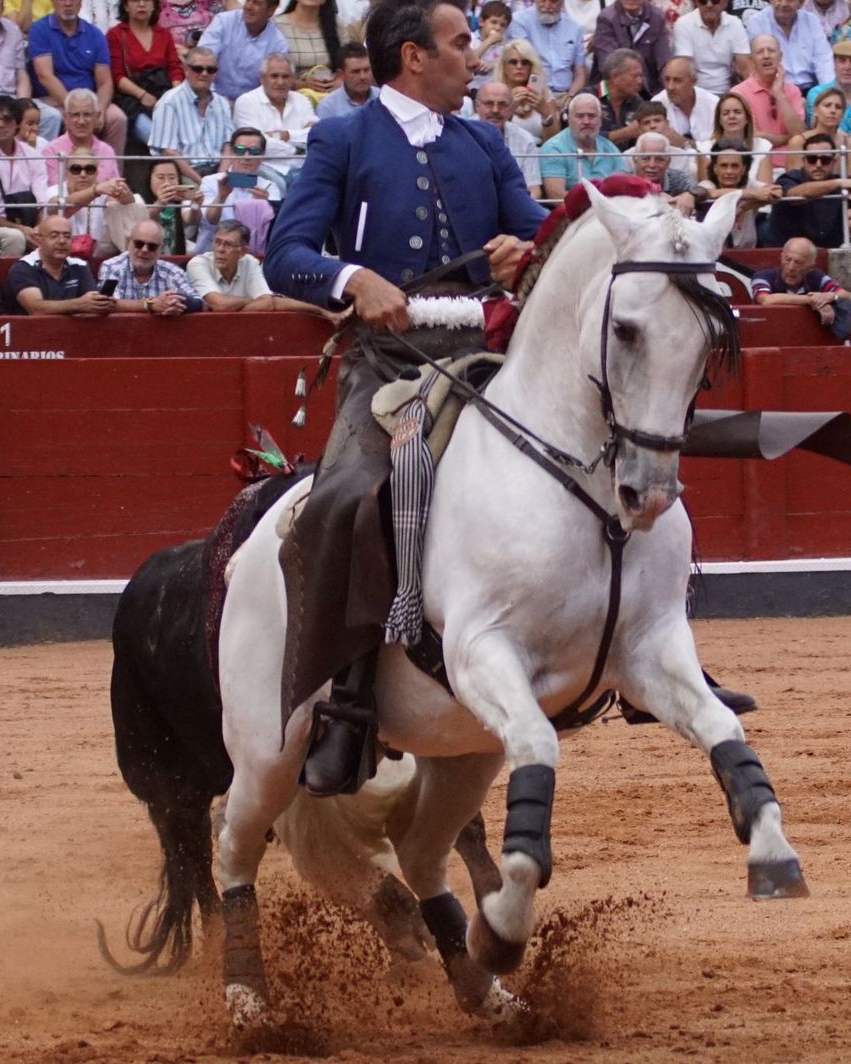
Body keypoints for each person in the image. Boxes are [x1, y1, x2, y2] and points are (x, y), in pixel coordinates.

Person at [261, 0, 549, 797]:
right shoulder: (342, 137)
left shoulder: (485, 142)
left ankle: (611, 654)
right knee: (345, 499)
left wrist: (524, 250)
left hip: (486, 360)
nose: (476, 58)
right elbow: (284, 254)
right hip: (385, 362)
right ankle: (347, 705)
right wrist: (354, 279)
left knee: (577, 462)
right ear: (414, 57)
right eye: (461, 45)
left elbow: (537, 233)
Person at [28, 0, 127, 150]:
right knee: (56, 117)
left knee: (117, 118)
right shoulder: (40, 29)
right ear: (53, 2)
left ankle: (113, 171)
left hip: (89, 99)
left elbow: (105, 82)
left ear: (81, 3)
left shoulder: (95, 34)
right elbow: (45, 76)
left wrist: (98, 110)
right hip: (53, 99)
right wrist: (74, 108)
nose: (68, 3)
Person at [188, 217, 329, 311]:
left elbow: (267, 302)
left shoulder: (249, 261)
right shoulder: (199, 263)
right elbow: (220, 304)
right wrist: (250, 300)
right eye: (217, 242)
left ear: (243, 251)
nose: (220, 250)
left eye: (228, 245)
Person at [768, 130, 851, 245]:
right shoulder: (789, 178)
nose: (818, 164)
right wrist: (839, 182)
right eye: (812, 159)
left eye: (825, 160)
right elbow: (794, 195)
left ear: (834, 162)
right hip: (788, 254)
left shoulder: (843, 183)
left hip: (830, 255)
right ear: (804, 161)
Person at [0, 93, 48, 254]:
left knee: (56, 231)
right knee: (15, 237)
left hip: (30, 225)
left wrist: (38, 229)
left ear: (17, 124)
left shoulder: (33, 155)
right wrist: (20, 229)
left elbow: (42, 202)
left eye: (7, 119)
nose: (1, 125)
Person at [147, 45, 233, 180]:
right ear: (186, 69)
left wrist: (220, 178)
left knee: (255, 184)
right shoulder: (169, 102)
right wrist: (204, 183)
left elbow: (228, 146)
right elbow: (168, 152)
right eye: (198, 68)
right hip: (186, 174)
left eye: (210, 70)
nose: (204, 74)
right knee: (203, 198)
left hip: (221, 172)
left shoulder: (222, 103)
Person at [8, 212, 117, 313]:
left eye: (67, 236)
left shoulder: (79, 266)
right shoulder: (23, 268)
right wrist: (78, 304)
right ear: (39, 239)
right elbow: (35, 308)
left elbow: (90, 301)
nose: (62, 241)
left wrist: (99, 304)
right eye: (54, 236)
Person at [107, 0, 182, 145]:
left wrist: (176, 95)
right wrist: (143, 95)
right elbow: (117, 75)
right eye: (135, 0)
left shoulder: (164, 34)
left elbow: (175, 68)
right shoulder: (116, 34)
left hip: (164, 94)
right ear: (126, 6)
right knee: (157, 139)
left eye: (147, 0)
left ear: (154, 6)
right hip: (131, 98)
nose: (142, 4)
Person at [96, 218, 204, 314]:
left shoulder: (172, 272)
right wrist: (151, 304)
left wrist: (175, 301)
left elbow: (199, 302)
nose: (144, 250)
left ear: (161, 249)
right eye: (139, 244)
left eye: (152, 246)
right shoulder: (111, 266)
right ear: (128, 242)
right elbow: (107, 303)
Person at [232, 53, 315, 177]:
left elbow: (317, 134)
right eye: (274, 76)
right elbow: (257, 146)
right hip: (265, 168)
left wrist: (288, 135)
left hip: (302, 167)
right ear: (262, 78)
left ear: (293, 79)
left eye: (285, 76)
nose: (280, 82)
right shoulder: (246, 102)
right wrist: (298, 149)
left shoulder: (302, 100)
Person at [49, 143, 137, 257]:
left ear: (96, 173)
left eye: (89, 169)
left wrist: (126, 197)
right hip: (63, 252)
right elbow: (57, 210)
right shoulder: (55, 190)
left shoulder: (103, 190)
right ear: (67, 173)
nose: (83, 174)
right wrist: (94, 191)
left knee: (133, 203)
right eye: (76, 169)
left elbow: (122, 204)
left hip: (100, 253)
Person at [751, 236, 851, 331]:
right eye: (787, 260)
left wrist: (831, 296)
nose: (791, 268)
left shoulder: (815, 276)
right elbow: (766, 300)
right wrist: (812, 300)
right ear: (781, 257)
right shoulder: (763, 276)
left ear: (810, 266)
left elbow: (848, 296)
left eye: (798, 263)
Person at [540, 92, 633, 198]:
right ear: (569, 119)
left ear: (600, 120)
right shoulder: (554, 149)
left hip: (608, 210)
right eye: (580, 116)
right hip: (571, 212)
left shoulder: (610, 148)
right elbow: (556, 195)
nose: (586, 121)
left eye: (592, 116)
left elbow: (623, 188)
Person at [735, 35, 807, 167]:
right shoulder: (739, 93)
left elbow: (799, 135)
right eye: (760, 52)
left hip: (793, 167)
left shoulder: (793, 91)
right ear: (751, 60)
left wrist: (780, 94)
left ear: (780, 57)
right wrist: (787, 138)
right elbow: (753, 138)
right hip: (757, 166)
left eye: (771, 51)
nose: (766, 56)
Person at [198, 127, 275, 251]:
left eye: (254, 151)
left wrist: (263, 207)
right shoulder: (210, 181)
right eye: (240, 150)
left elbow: (271, 229)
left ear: (262, 156)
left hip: (252, 255)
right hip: (212, 254)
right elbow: (209, 220)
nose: (247, 157)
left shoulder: (269, 187)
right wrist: (221, 197)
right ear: (231, 153)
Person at [198, 0, 288, 100]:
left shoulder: (278, 43)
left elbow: (273, 85)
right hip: (212, 98)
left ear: (271, 10)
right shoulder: (223, 22)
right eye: (247, 0)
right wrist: (214, 100)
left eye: (256, 3)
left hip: (252, 105)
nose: (248, 6)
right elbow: (201, 63)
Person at [697, 136, 777, 245]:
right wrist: (751, 194)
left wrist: (743, 207)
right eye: (724, 166)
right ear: (715, 168)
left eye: (734, 166)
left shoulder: (750, 185)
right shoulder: (707, 185)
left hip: (746, 252)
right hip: (711, 252)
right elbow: (710, 193)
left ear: (743, 169)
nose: (729, 171)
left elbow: (776, 192)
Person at [744, 0, 833, 95]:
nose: (783, 4)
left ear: (801, 3)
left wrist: (827, 93)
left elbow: (824, 60)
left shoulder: (811, 20)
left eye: (790, 0)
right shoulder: (757, 22)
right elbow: (758, 64)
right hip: (775, 89)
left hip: (811, 88)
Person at [506, 0, 587, 101]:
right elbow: (525, 65)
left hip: (566, 95)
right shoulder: (519, 21)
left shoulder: (574, 28)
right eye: (543, 0)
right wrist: (541, 98)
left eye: (553, 1)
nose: (547, 6)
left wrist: (570, 98)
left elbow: (580, 73)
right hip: (531, 93)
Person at [475, 80, 542, 196]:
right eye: (489, 103)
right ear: (477, 106)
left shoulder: (525, 140)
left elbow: (534, 190)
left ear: (511, 108)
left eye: (502, 104)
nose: (495, 110)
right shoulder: (461, 134)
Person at [42, 87, 120, 184]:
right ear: (66, 118)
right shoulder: (51, 150)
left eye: (87, 114)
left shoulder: (107, 151)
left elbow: (115, 190)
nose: (81, 121)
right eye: (75, 115)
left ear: (97, 117)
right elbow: (54, 191)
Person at [672, 0, 750, 96]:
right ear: (696, 2)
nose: (709, 5)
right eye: (703, 1)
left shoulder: (735, 23)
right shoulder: (683, 24)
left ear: (725, 2)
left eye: (715, 1)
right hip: (694, 93)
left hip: (728, 93)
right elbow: (683, 67)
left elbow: (746, 67)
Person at [272, 0, 347, 100]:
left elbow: (350, 63)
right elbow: (269, 73)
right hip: (291, 98)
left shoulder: (337, 25)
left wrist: (341, 81)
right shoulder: (277, 26)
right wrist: (302, 85)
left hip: (332, 98)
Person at [492, 38, 561, 145]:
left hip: (539, 152)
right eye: (513, 62)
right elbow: (491, 135)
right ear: (504, 66)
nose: (519, 66)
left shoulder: (544, 93)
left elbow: (554, 141)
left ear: (531, 66)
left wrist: (545, 113)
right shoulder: (494, 93)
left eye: (525, 62)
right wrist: (510, 108)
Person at [593, 0, 671, 92]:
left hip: (650, 88)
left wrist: (668, 86)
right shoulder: (606, 18)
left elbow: (664, 62)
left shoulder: (657, 17)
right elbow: (607, 66)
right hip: (613, 87)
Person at [650, 56, 717, 160]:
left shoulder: (713, 104)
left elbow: (720, 146)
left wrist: (684, 143)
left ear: (694, 81)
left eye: (677, 81)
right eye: (667, 79)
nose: (670, 87)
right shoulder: (657, 104)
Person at [631, 130, 701, 212]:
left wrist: (691, 195)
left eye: (659, 159)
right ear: (635, 160)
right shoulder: (624, 180)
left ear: (668, 162)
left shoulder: (677, 178)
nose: (652, 165)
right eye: (646, 158)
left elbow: (701, 190)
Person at [143, 157, 201, 253]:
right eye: (161, 177)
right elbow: (143, 219)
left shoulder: (182, 201)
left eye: (172, 178)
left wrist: (195, 205)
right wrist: (160, 203)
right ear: (150, 179)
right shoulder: (139, 199)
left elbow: (192, 219)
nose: (167, 183)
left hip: (176, 257)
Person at [597, 48, 648, 147]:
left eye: (641, 76)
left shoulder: (637, 103)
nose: (640, 82)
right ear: (615, 76)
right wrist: (626, 133)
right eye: (635, 76)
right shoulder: (586, 98)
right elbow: (581, 138)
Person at [315, 40, 376, 118]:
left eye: (366, 70)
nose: (362, 77)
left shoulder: (383, 98)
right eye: (356, 72)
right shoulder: (328, 107)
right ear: (341, 74)